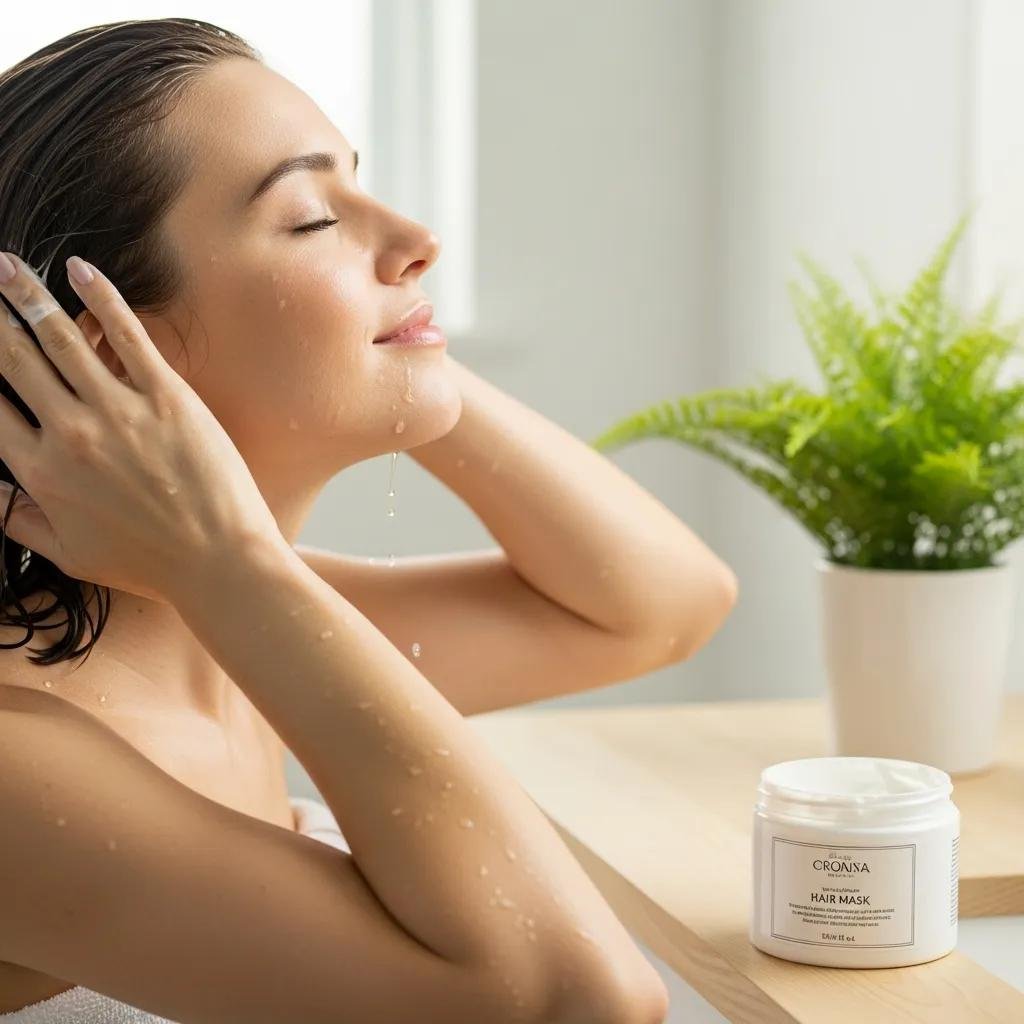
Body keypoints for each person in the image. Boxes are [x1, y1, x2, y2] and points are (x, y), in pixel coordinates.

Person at [0, 18, 738, 1023]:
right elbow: (583, 1000)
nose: (417, 239)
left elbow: (661, 605)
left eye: (363, 181)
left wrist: (400, 335)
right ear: (108, 361)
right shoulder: (23, 761)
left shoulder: (231, 627)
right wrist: (230, 557)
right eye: (311, 217)